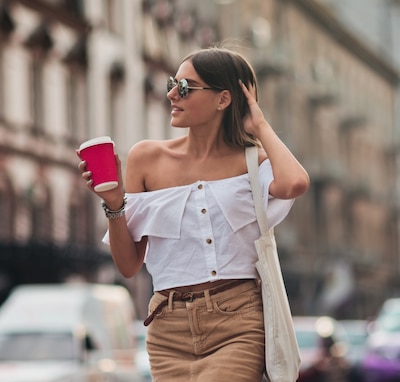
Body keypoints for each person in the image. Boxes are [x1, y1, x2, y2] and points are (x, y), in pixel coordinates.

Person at [77, 45, 310, 381]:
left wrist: (260, 126)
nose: (172, 93)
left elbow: (295, 183)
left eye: (185, 87)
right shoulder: (146, 158)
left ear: (223, 99)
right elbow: (128, 266)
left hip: (237, 321)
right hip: (167, 329)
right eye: (173, 83)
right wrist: (115, 203)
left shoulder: (251, 160)